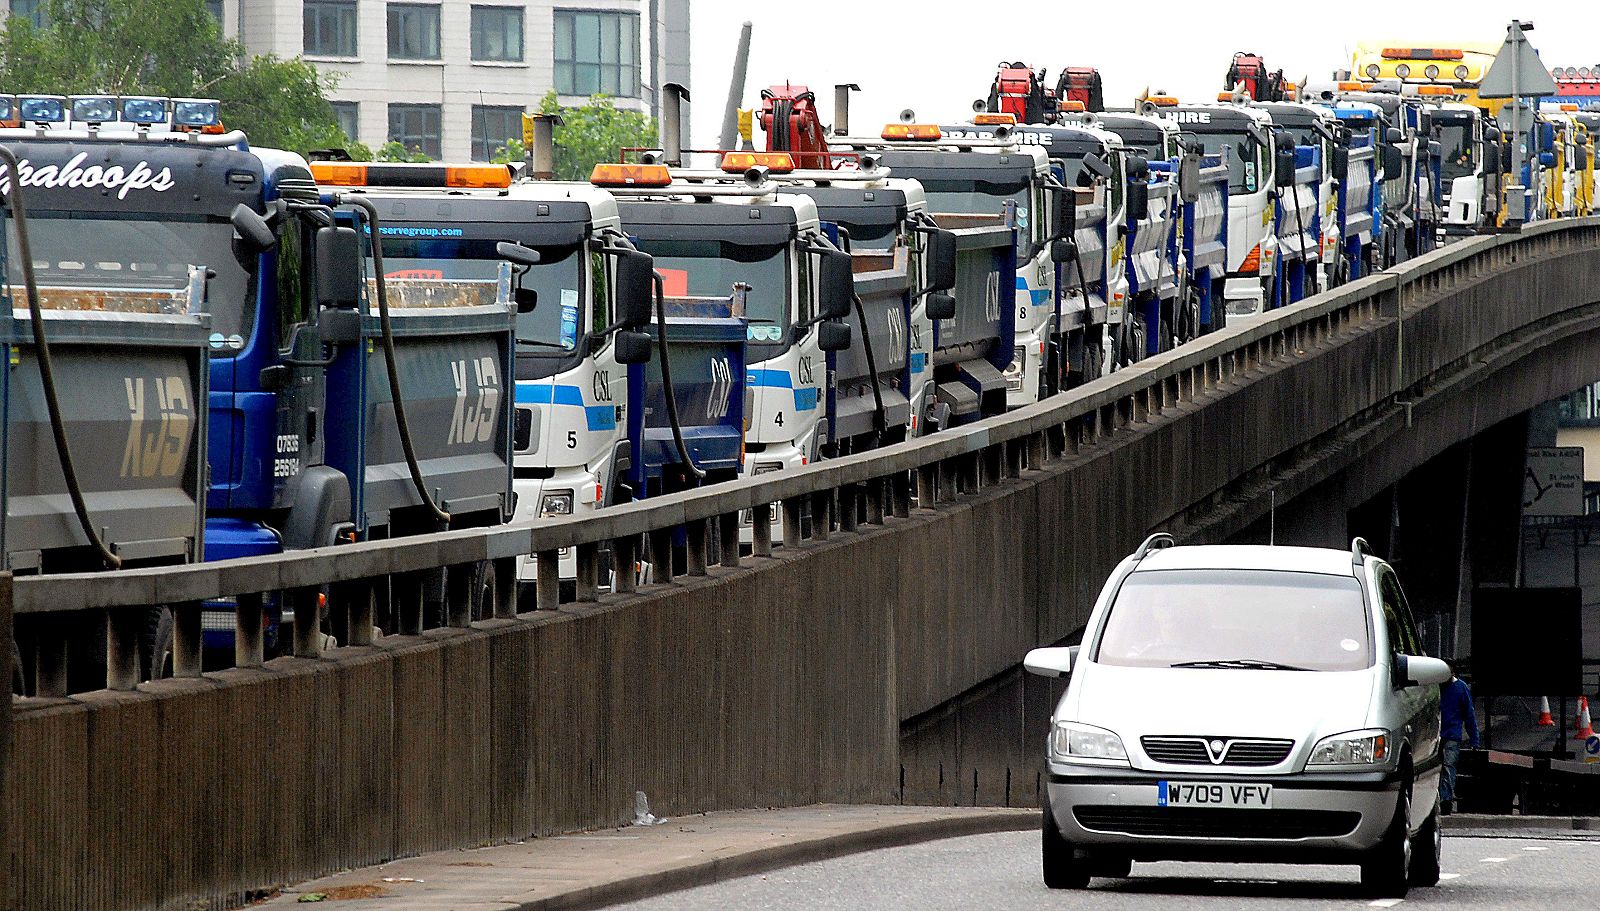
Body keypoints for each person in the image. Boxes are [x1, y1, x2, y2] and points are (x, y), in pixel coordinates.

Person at [1439, 666, 1479, 815]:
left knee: (1448, 768)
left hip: (1450, 735)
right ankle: (1443, 800)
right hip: (1442, 734)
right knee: (1445, 769)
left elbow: (1469, 715)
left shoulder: (1459, 688)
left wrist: (1475, 740)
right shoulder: (1455, 688)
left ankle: (1445, 801)